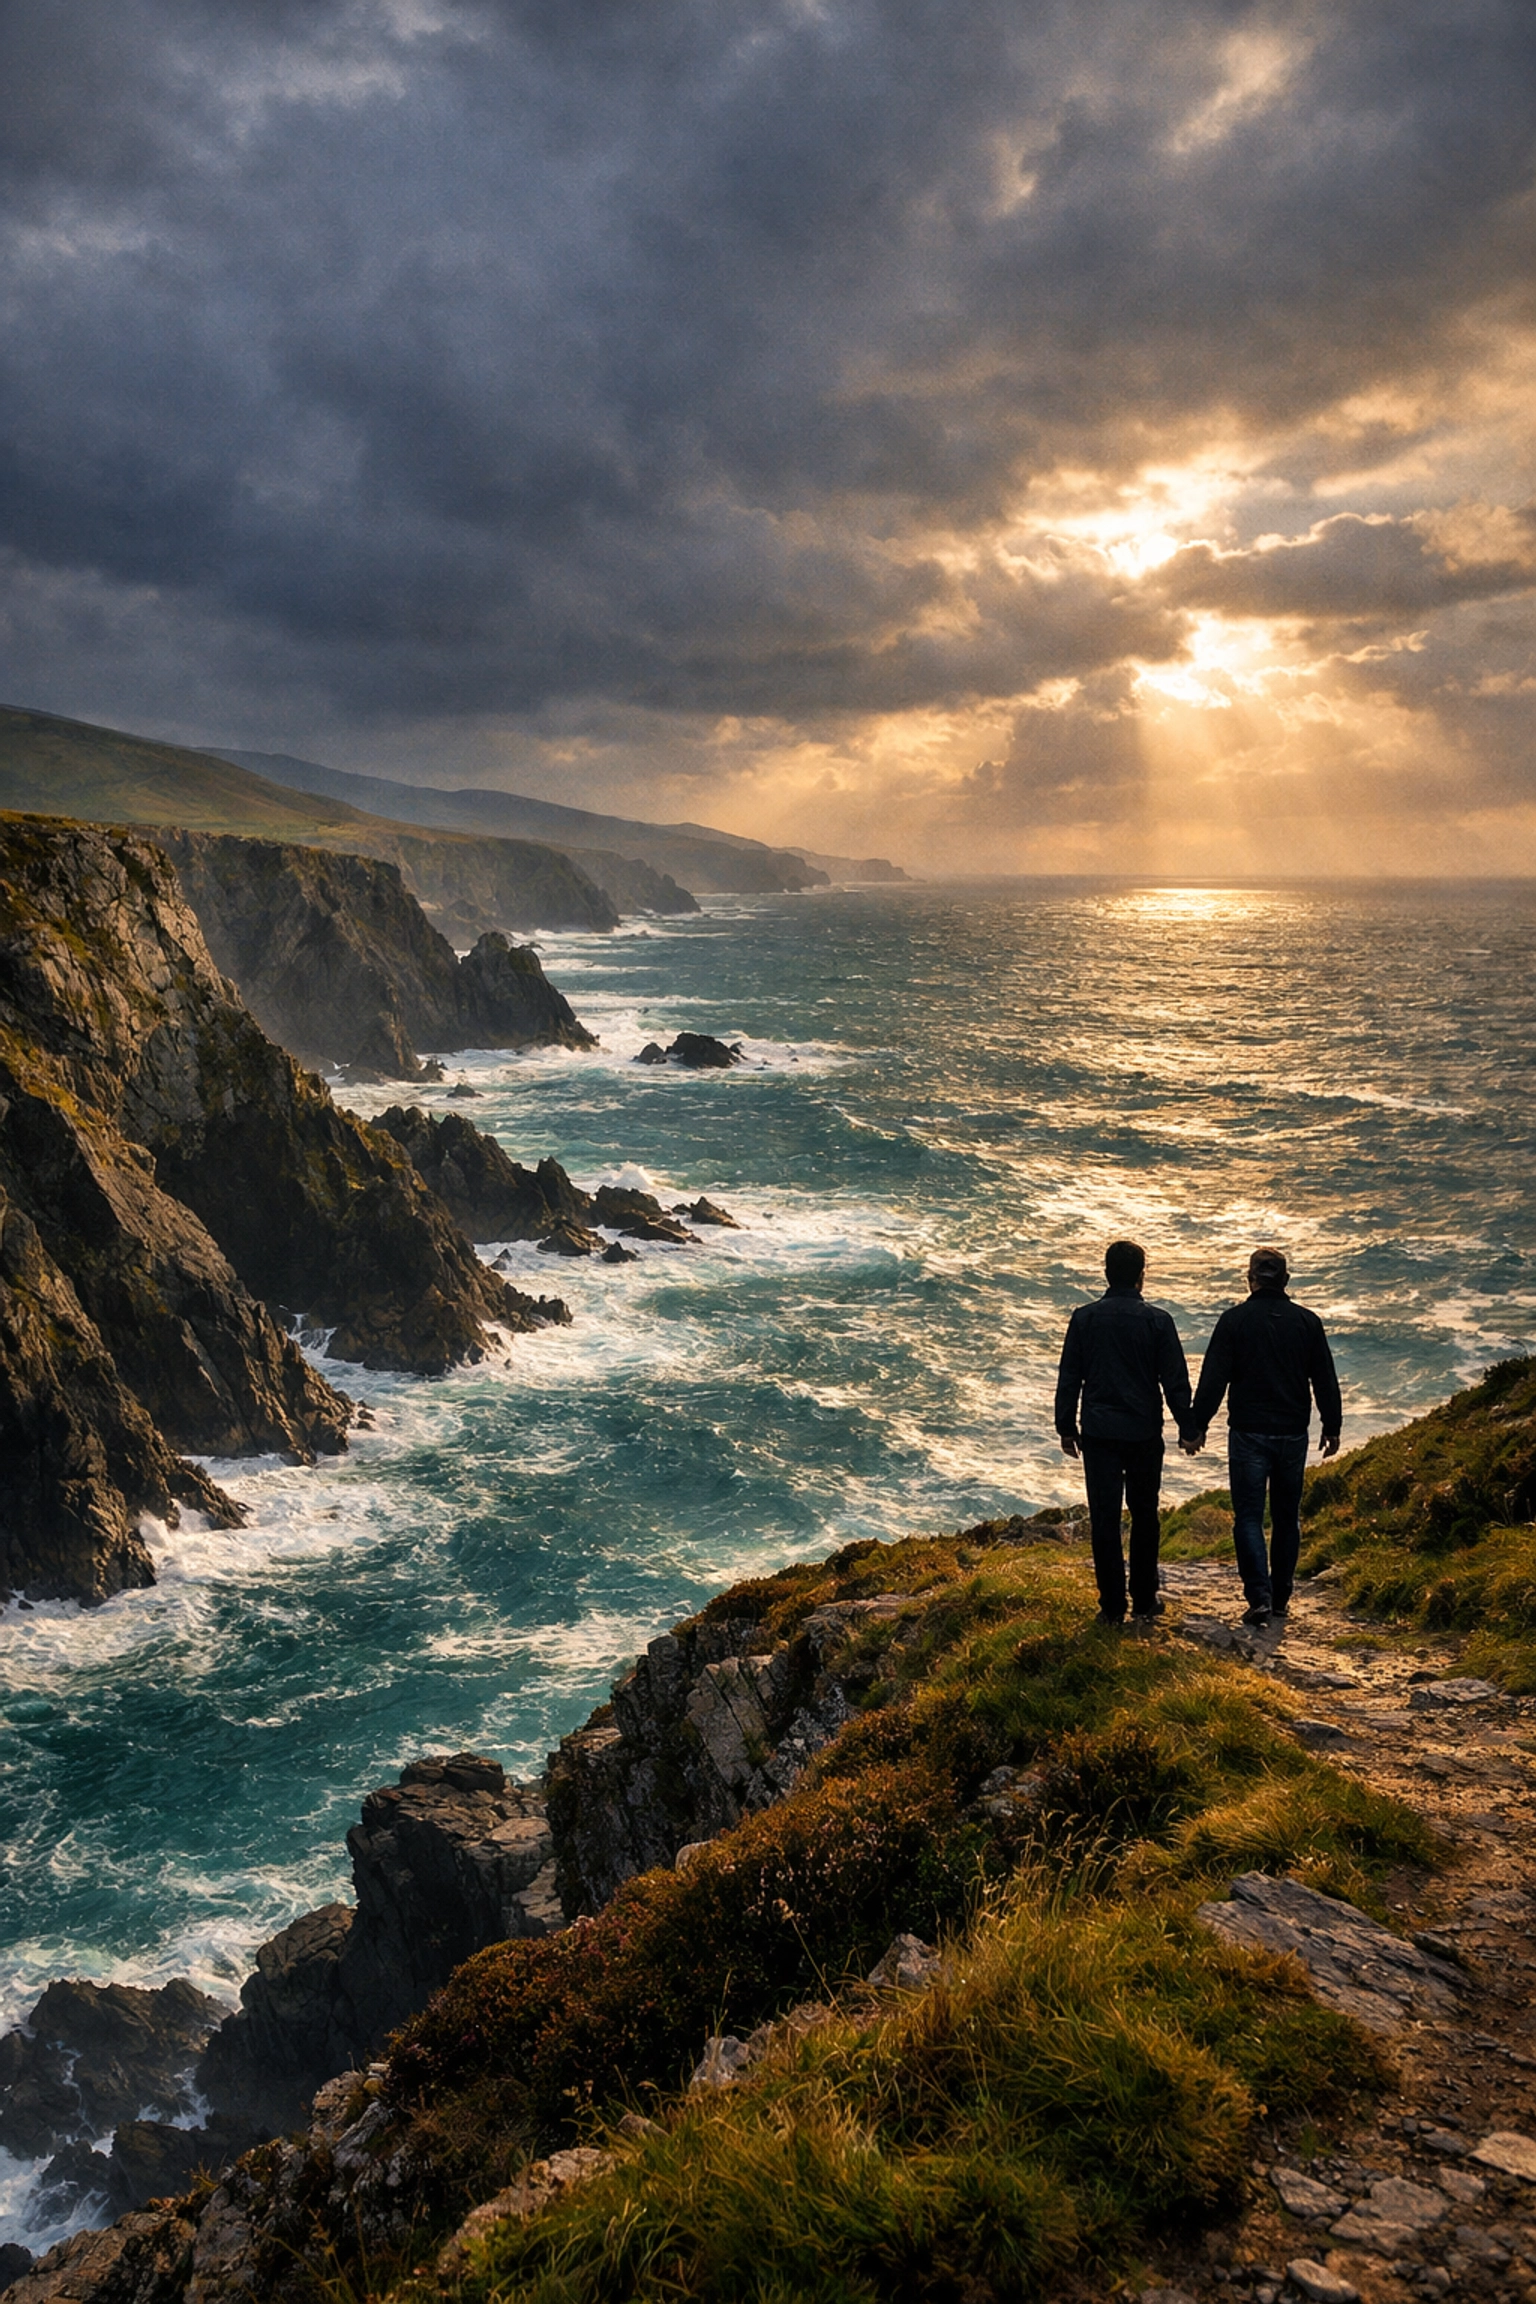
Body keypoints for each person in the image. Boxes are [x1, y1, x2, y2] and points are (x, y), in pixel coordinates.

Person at [1186, 1247, 1342, 1628]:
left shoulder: (1234, 1321)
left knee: (1249, 1518)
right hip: (1292, 1434)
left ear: (1250, 1279)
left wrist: (1195, 1427)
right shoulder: (1307, 1322)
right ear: (1285, 1281)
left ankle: (1258, 1596)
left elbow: (1213, 1380)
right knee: (1287, 1519)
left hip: (1249, 1433)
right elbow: (1324, 1378)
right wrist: (1332, 1426)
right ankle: (1281, 1599)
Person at [1054, 1240, 1194, 1626]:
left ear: (1106, 1273)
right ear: (1141, 1275)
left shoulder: (1084, 1318)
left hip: (1099, 1432)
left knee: (1105, 1519)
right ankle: (1145, 1599)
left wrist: (1066, 1427)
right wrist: (1189, 1427)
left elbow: (1070, 1378)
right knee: (1145, 1515)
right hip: (1144, 1432)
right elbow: (1175, 1382)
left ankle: (1112, 1606)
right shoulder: (1158, 1321)